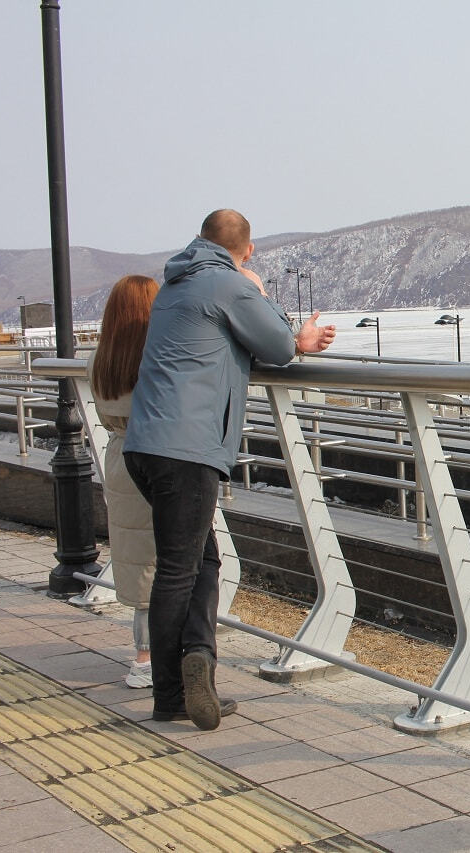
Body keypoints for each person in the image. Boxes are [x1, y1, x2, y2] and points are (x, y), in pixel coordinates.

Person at [124, 209, 336, 730]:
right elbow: (279, 346)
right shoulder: (227, 283)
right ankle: (172, 693)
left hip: (146, 444)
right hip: (186, 447)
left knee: (201, 560)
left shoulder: (177, 282)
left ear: (201, 239)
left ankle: (199, 659)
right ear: (249, 248)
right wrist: (270, 304)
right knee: (181, 568)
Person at [89, 275, 160, 689]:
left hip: (118, 455)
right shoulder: (154, 355)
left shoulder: (101, 357)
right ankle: (154, 657)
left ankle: (143, 656)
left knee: (137, 558)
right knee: (170, 554)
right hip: (157, 451)